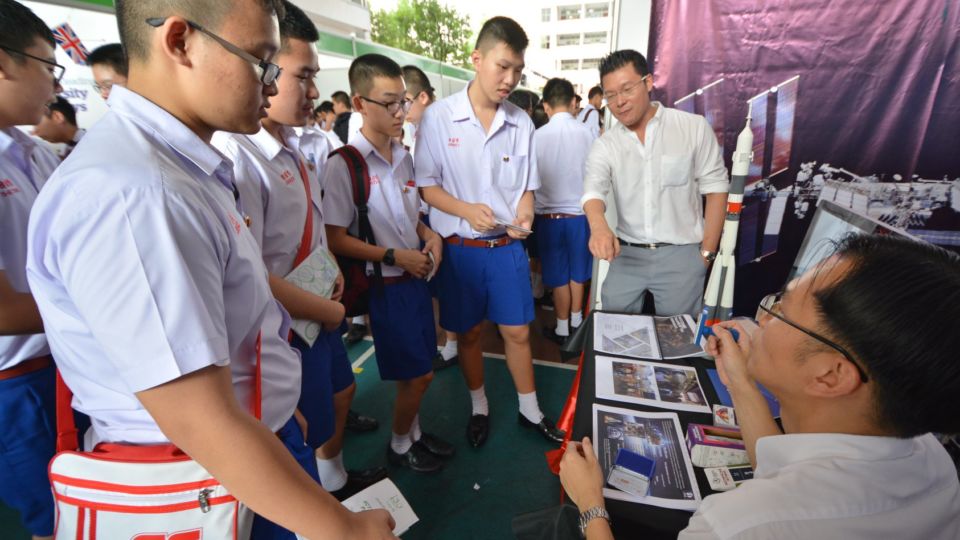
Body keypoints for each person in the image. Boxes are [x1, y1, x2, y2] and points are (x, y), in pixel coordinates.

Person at [25, 0, 395, 537]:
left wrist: (273, 407)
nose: (271, 82)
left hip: (243, 449)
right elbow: (198, 417)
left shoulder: (179, 169)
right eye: (261, 59)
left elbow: (228, 319)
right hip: (202, 477)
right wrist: (343, 529)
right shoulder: (137, 194)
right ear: (179, 41)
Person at [560, 233, 960, 539]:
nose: (762, 320)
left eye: (782, 310)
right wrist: (739, 379)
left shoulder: (743, 524)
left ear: (831, 375)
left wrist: (592, 504)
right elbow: (780, 464)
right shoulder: (931, 457)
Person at [212, 2, 384, 508]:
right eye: (300, 76)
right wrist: (327, 308)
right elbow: (252, 274)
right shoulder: (239, 160)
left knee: (337, 398)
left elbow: (305, 234)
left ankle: (332, 482)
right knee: (295, 440)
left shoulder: (292, 143)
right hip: (285, 328)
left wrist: (329, 281)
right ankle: (320, 500)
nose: (312, 92)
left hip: (315, 313)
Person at [415, 16, 563, 447]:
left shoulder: (521, 122)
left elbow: (527, 189)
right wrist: (465, 210)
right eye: (502, 67)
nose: (510, 79)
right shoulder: (439, 118)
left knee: (518, 331)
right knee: (469, 333)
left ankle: (529, 410)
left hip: (506, 249)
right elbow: (426, 187)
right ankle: (479, 405)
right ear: (477, 59)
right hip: (460, 250)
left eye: (517, 70)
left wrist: (526, 215)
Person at [324, 53, 454, 474]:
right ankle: (400, 445)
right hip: (387, 285)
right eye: (390, 103)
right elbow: (335, 237)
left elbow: (411, 215)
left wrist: (429, 234)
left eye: (404, 101)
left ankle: (413, 434)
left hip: (415, 278)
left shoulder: (403, 156)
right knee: (418, 376)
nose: (402, 112)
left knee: (417, 370)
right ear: (360, 104)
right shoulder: (344, 165)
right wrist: (395, 256)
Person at [583, 49, 728, 317]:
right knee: (613, 333)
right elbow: (593, 190)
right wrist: (599, 226)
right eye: (611, 95)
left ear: (648, 82)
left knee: (677, 344)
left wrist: (706, 254)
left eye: (626, 89)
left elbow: (717, 189)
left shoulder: (692, 128)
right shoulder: (606, 144)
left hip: (681, 255)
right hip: (626, 254)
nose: (619, 102)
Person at [0, 2, 64, 537]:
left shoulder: (38, 154)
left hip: (66, 356)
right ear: (4, 64)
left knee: (88, 492)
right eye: (47, 66)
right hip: (18, 382)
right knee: (52, 516)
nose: (54, 84)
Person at [400, 63, 458, 370]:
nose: (401, 108)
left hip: (449, 219)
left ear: (422, 97)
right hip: (428, 219)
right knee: (438, 287)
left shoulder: (447, 123)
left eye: (404, 99)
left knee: (450, 289)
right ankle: (450, 341)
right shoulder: (415, 129)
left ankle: (453, 343)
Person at [533, 78, 595, 345]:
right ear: (573, 103)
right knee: (578, 275)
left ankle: (561, 330)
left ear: (546, 106)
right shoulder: (587, 134)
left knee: (558, 277)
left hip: (547, 219)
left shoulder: (536, 136)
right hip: (581, 216)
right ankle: (577, 325)